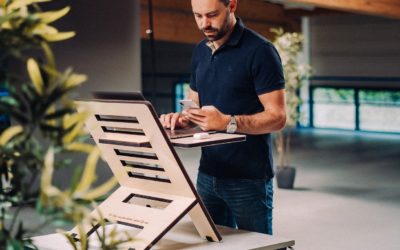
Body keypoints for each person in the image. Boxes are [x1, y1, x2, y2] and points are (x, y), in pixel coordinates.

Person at [160, 0, 286, 235]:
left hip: (248, 178)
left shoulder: (260, 51)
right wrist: (183, 119)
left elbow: (277, 118)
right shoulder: (200, 51)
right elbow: (195, 106)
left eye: (212, 15)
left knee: (259, 247)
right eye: (197, 16)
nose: (204, 23)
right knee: (210, 243)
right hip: (208, 174)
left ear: (232, 6)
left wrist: (228, 122)